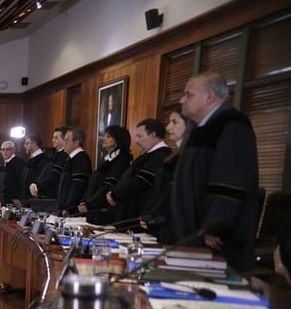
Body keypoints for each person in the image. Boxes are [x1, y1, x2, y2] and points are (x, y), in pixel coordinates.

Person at [172, 71, 259, 270]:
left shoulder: (232, 124)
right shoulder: (199, 129)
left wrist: (216, 225)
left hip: (215, 235)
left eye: (188, 94)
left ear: (209, 96)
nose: (182, 100)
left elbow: (231, 181)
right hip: (192, 228)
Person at [142, 106, 195, 243]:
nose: (168, 128)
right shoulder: (177, 153)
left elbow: (174, 191)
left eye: (175, 122)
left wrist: (155, 214)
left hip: (176, 224)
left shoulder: (191, 155)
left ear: (190, 124)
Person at [107, 119, 171, 223]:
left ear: (153, 135)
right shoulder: (148, 155)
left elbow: (141, 180)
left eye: (140, 136)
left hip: (141, 211)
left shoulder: (161, 155)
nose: (136, 140)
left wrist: (115, 194)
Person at [77, 125, 131, 224]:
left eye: (108, 136)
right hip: (93, 208)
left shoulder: (121, 161)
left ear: (118, 140)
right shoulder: (108, 160)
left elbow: (108, 186)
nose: (103, 138)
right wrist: (84, 201)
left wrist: (89, 204)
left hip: (105, 211)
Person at [29, 126, 69, 205]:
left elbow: (54, 175)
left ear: (64, 139)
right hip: (46, 195)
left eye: (56, 138)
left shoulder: (64, 156)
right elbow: (44, 173)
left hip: (54, 197)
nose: (52, 140)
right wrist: (34, 183)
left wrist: (38, 186)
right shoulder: (54, 155)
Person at [57, 128, 92, 216]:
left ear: (76, 142)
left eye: (66, 140)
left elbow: (77, 186)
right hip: (64, 208)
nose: (63, 143)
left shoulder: (81, 159)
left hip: (73, 212)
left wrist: (69, 207)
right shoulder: (71, 158)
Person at [22, 134, 51, 204]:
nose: (24, 146)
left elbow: (41, 178)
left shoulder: (43, 160)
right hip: (26, 198)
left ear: (34, 144)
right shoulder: (30, 159)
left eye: (27, 143)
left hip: (35, 199)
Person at [0, 140, 26, 205]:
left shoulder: (18, 163)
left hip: (14, 200)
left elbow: (21, 182)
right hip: (3, 199)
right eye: (3, 150)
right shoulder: (4, 164)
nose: (5, 152)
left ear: (13, 150)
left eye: (7, 149)